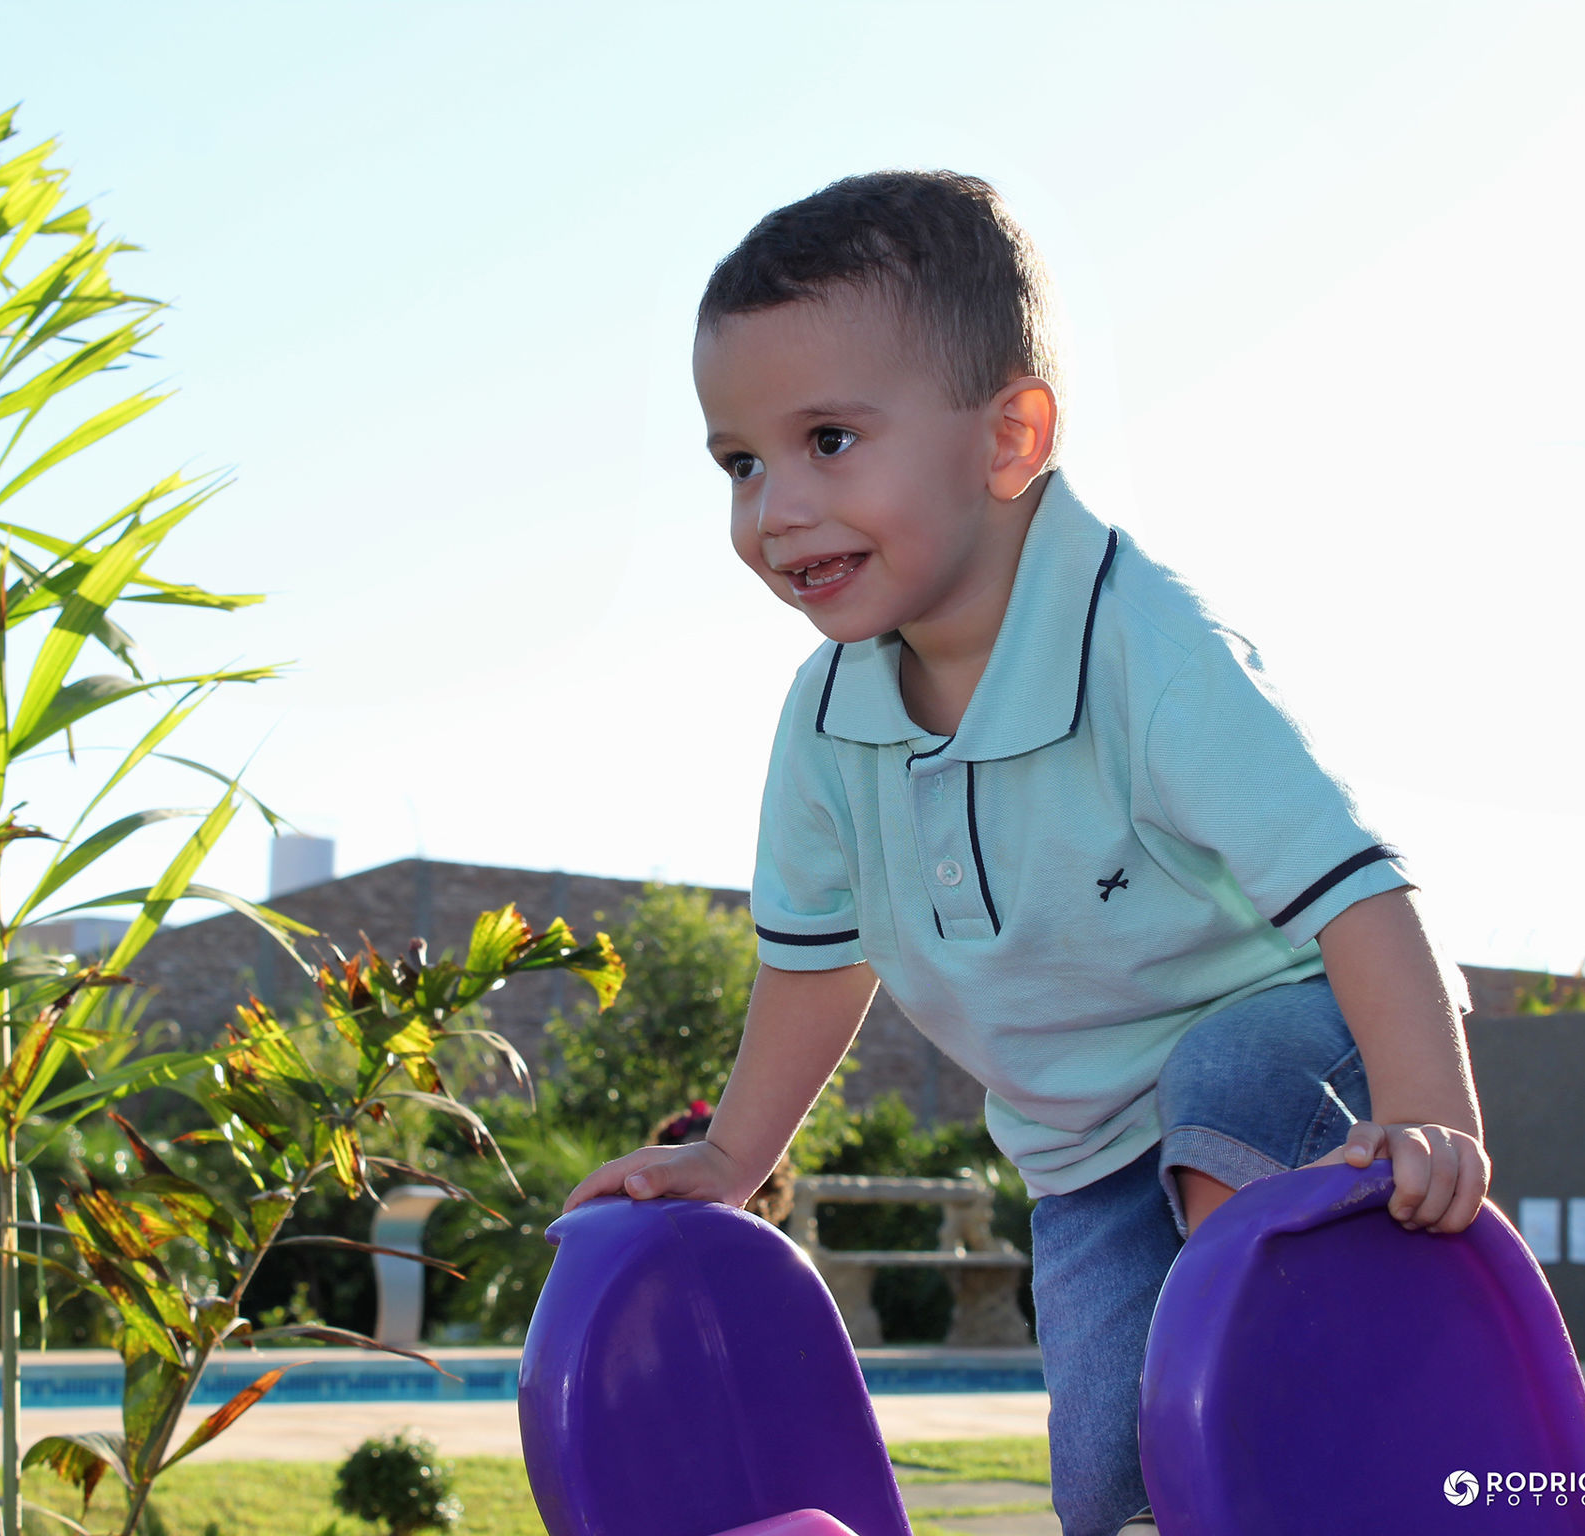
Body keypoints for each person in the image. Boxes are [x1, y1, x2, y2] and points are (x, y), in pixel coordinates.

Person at [563, 170, 1490, 1536]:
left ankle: (1321, 1406)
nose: (775, 508)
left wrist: (1430, 1113)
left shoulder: (1145, 648)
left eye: (829, 439)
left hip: (1306, 1039)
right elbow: (817, 961)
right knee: (1111, 1476)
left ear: (1010, 438)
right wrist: (732, 1154)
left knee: (1223, 1131)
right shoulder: (827, 721)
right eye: (741, 463)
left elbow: (1357, 889)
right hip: (1085, 1147)